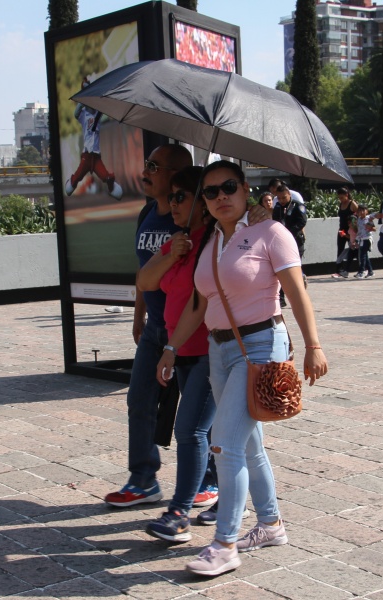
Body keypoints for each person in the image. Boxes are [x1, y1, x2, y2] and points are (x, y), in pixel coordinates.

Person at [157, 160, 328, 577]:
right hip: (219, 350)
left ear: (245, 188)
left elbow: (296, 290)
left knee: (225, 442)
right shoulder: (212, 240)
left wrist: (314, 345)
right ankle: (270, 524)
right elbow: (200, 303)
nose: (221, 197)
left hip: (261, 344)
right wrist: (171, 347)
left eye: (228, 187)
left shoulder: (270, 232)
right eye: (211, 192)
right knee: (248, 444)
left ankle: (225, 543)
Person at [104, 143, 193, 507]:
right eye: (146, 165)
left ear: (174, 174)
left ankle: (210, 478)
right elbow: (142, 272)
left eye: (153, 166)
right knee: (139, 400)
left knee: (196, 410)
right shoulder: (146, 214)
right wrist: (138, 313)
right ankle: (143, 479)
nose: (145, 172)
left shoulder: (187, 217)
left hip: (187, 330)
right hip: (155, 327)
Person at [136, 166, 217, 542]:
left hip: (207, 351)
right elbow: (145, 280)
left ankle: (179, 512)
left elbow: (198, 304)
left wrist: (168, 348)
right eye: (171, 197)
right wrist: (172, 253)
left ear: (201, 201)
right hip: (182, 350)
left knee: (190, 430)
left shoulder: (215, 240)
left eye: (181, 196)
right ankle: (237, 498)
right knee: (220, 433)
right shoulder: (179, 240)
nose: (172, 203)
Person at [64, 77, 123, 200]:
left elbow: (104, 108)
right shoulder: (84, 114)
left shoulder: (97, 112)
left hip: (96, 156)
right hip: (86, 156)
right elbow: (76, 114)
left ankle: (112, 188)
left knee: (106, 177)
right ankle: (71, 183)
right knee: (78, 177)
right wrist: (83, 99)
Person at [272, 184, 308, 307]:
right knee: (281, 269)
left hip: (296, 242)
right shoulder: (277, 207)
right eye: (279, 198)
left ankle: (299, 292)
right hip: (281, 243)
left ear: (289, 195)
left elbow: (302, 222)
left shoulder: (298, 206)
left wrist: (288, 232)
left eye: (284, 198)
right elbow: (275, 221)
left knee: (293, 270)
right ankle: (281, 298)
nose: (281, 200)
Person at [333, 187, 357, 278]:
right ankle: (339, 270)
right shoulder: (341, 204)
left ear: (347, 195)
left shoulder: (352, 204)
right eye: (339, 198)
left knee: (354, 249)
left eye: (342, 197)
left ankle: (363, 268)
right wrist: (341, 232)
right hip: (342, 230)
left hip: (351, 231)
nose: (341, 200)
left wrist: (355, 231)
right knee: (340, 249)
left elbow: (359, 215)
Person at [353, 204, 375, 279]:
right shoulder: (358, 219)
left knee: (362, 256)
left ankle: (361, 271)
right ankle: (370, 271)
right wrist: (356, 240)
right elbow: (359, 231)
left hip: (367, 239)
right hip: (361, 239)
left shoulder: (369, 218)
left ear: (367, 211)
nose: (361, 212)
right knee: (364, 256)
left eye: (363, 210)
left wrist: (370, 228)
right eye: (359, 211)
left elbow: (374, 228)